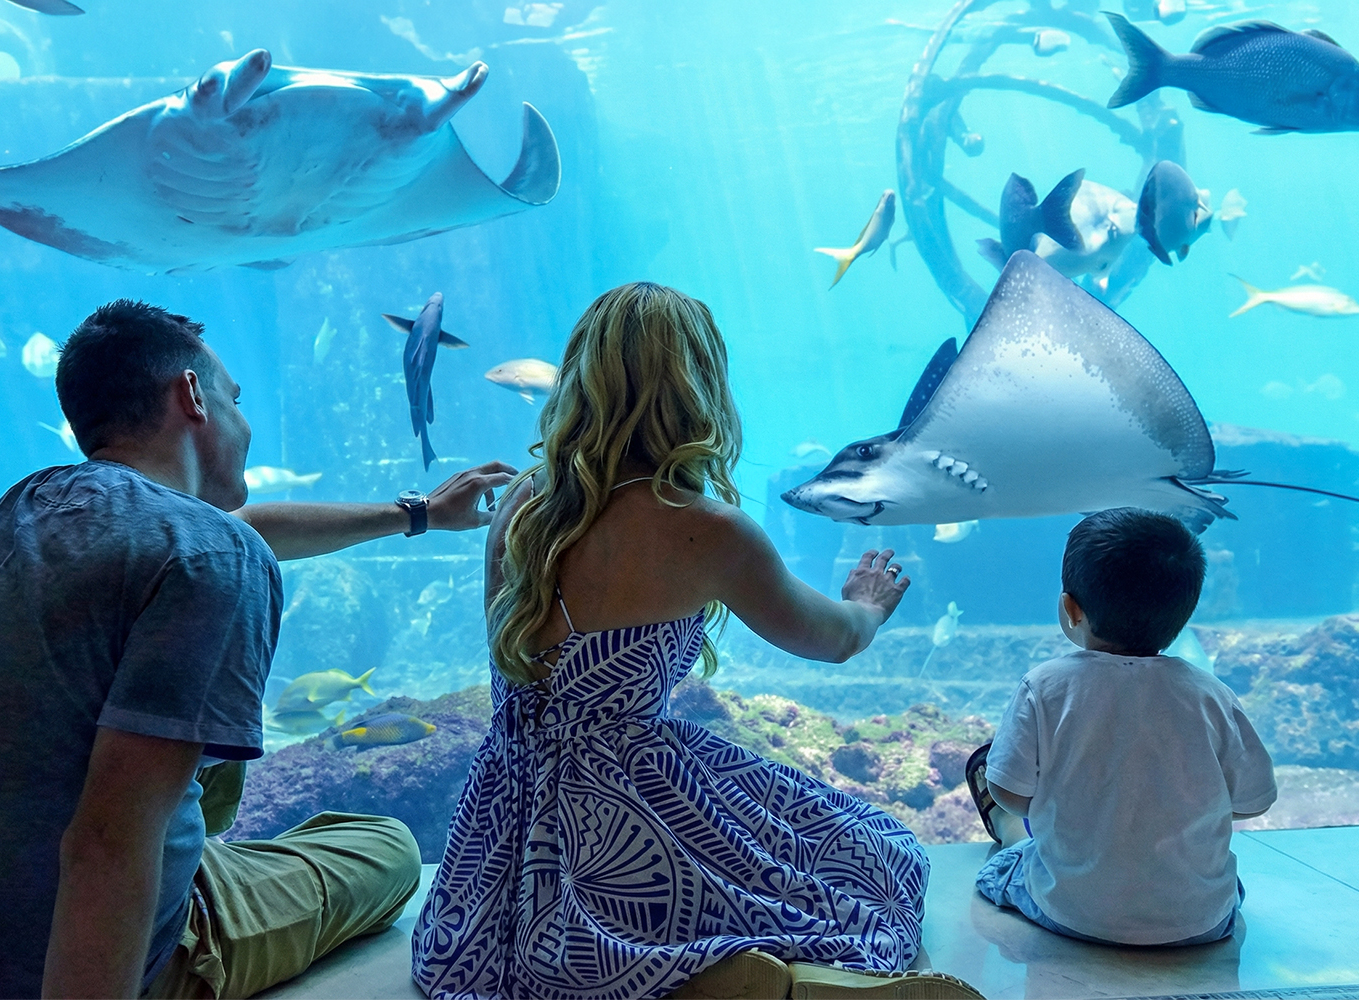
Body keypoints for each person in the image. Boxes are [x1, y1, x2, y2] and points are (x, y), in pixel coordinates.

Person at [0, 300, 515, 999]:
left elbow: (241, 528)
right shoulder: (214, 558)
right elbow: (103, 847)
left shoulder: (27, 507)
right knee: (385, 848)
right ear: (190, 395)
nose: (245, 425)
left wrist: (419, 514)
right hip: (83, 956)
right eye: (235, 400)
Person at [411, 283, 982, 1000]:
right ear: (698, 386)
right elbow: (830, 640)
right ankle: (720, 972)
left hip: (504, 813)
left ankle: (673, 971)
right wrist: (865, 607)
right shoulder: (706, 531)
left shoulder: (524, 503)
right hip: (629, 798)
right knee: (875, 858)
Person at [969, 507, 1278, 946]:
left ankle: (1006, 832)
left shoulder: (1045, 687)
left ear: (1070, 608)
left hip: (1075, 915)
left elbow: (1012, 794)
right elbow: (1252, 801)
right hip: (1198, 924)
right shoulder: (1212, 696)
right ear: (1184, 613)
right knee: (1227, 887)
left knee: (1006, 864)